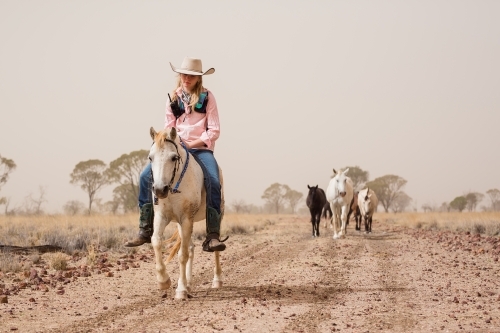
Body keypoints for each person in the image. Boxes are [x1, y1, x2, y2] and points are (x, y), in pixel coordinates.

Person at [124, 56, 226, 252]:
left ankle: (212, 235)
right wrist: (172, 143)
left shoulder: (208, 97)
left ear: (198, 78)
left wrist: (192, 142)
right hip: (176, 147)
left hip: (200, 149)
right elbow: (169, 126)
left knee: (213, 179)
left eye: (191, 76)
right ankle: (145, 229)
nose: (186, 78)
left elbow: (214, 130)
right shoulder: (173, 98)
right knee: (145, 175)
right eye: (183, 74)